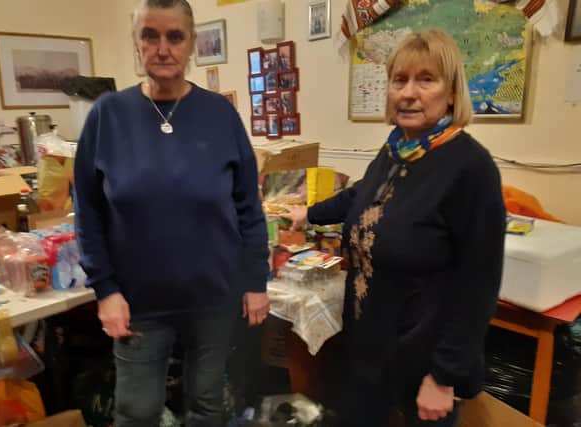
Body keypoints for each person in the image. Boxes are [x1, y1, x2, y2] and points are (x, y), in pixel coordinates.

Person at [282, 29, 505, 427]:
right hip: (371, 347)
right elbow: (360, 196)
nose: (408, 93)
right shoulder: (396, 150)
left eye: (426, 79)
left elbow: (479, 286)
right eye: (399, 80)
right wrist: (309, 214)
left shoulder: (471, 168)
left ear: (452, 92)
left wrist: (444, 376)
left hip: (425, 361)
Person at [73, 1, 270, 426]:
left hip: (214, 299)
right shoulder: (107, 116)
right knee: (137, 411)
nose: (162, 48)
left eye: (174, 36)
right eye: (150, 35)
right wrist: (105, 290)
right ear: (136, 43)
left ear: (191, 44)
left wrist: (255, 280)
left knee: (207, 404)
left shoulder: (220, 114)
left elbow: (248, 207)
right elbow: (87, 212)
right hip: (138, 302)